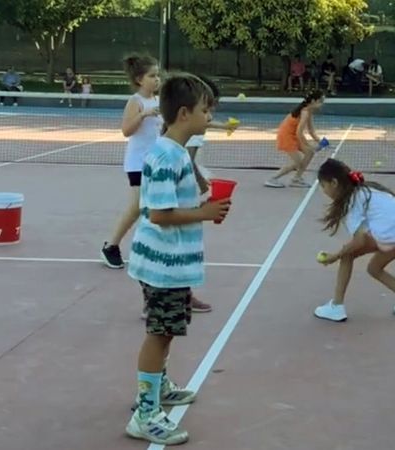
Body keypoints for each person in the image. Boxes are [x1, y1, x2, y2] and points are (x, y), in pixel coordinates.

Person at [124, 72, 230, 445]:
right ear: (184, 114)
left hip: (167, 262)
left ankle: (158, 386)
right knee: (159, 333)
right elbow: (158, 214)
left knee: (165, 332)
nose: (211, 116)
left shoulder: (175, 152)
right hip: (162, 265)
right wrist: (204, 213)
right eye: (206, 109)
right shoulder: (166, 155)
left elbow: (172, 206)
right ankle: (146, 411)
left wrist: (203, 205)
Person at [314, 158, 395, 322]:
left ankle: (337, 306)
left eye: (323, 185)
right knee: (374, 269)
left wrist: (334, 256)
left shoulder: (352, 201)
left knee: (347, 254)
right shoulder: (371, 189)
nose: (323, 190)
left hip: (393, 233)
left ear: (334, 182)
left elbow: (358, 241)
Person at [101, 54, 161, 270]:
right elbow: (126, 130)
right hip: (138, 162)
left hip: (157, 161)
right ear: (139, 79)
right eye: (152, 76)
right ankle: (111, 246)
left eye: (158, 75)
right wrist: (144, 115)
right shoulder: (136, 102)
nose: (157, 80)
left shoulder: (158, 101)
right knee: (136, 206)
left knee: (156, 205)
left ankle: (150, 247)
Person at [264, 90, 325, 188]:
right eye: (320, 101)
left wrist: (320, 142)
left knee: (310, 153)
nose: (322, 104)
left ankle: (296, 179)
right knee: (298, 162)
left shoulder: (309, 111)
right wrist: (309, 145)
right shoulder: (304, 112)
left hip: (294, 135)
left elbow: (311, 131)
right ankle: (272, 178)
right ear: (313, 101)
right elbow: (299, 132)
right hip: (286, 135)